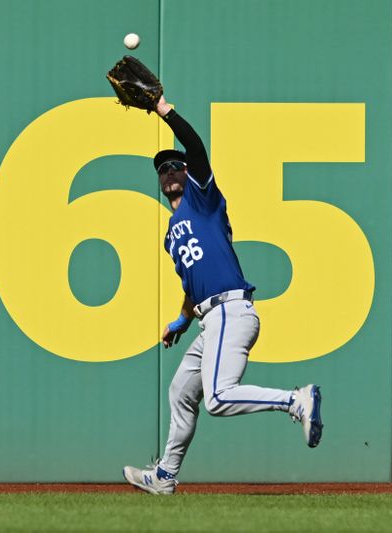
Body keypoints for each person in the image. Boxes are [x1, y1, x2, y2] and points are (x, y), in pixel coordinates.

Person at [122, 95, 323, 495]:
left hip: (232, 309)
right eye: (162, 169)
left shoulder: (203, 199)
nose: (169, 172)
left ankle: (295, 400)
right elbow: (192, 284)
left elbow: (195, 148)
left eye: (174, 165)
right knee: (181, 390)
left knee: (216, 398)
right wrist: (181, 320)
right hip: (208, 318)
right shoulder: (171, 233)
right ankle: (165, 475)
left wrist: (164, 110)